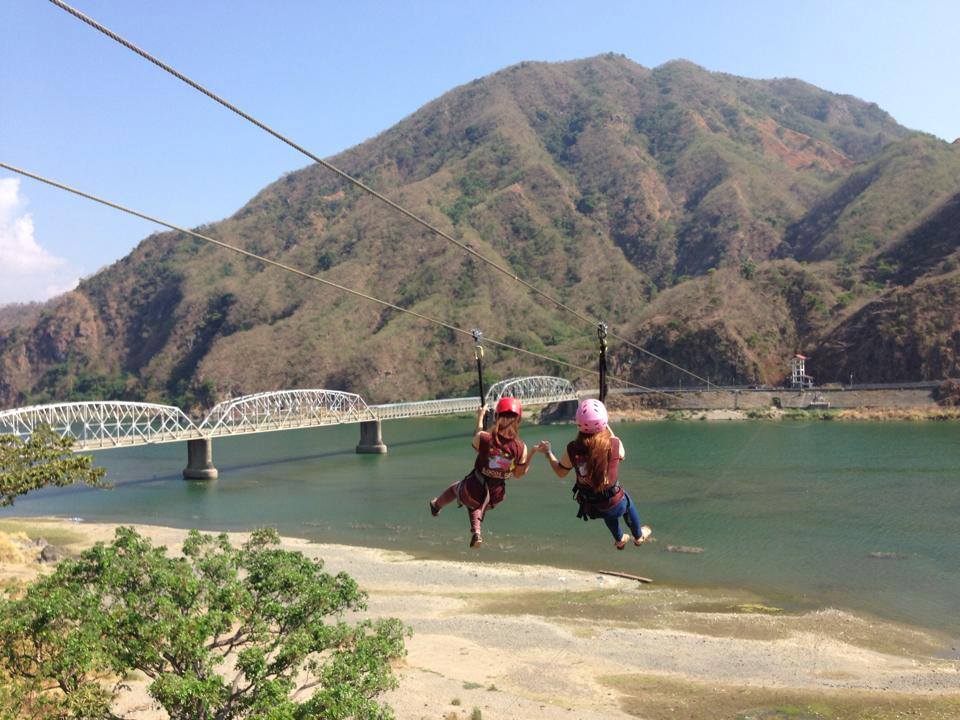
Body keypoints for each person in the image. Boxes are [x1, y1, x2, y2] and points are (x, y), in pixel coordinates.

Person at [537, 399, 651, 550]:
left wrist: (548, 453)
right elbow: (622, 455)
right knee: (625, 501)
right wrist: (606, 427)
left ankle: (619, 539)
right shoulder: (614, 444)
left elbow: (561, 472)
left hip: (592, 506)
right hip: (614, 502)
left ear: (579, 423)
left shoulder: (572, 448)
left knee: (607, 509)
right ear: (603, 421)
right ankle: (638, 536)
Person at [429, 397, 536, 548]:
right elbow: (518, 474)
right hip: (495, 497)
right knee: (477, 503)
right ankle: (476, 532)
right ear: (519, 421)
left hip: (472, 488)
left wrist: (480, 417)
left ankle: (436, 505)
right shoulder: (521, 448)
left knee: (458, 489)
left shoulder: (485, 438)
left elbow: (476, 440)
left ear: (496, 417)